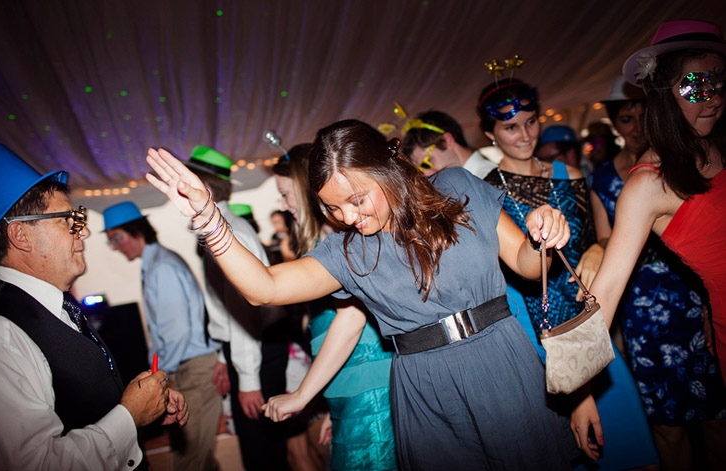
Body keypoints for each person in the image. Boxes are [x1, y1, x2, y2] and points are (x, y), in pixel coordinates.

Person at [145, 119, 579, 470]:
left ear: (385, 170)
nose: (349, 217)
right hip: (425, 386)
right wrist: (209, 218)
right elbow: (265, 289)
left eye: (356, 199)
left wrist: (542, 233)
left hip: (502, 363)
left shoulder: (456, 187)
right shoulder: (347, 252)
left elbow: (525, 262)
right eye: (332, 208)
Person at [478, 78, 659, 470]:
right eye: (511, 127)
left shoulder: (570, 173)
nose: (525, 134)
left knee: (632, 447)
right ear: (489, 133)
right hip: (535, 324)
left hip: (589, 314)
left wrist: (596, 249)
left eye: (530, 121)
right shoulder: (485, 191)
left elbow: (605, 237)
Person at [573, 19, 726, 467]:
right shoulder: (648, 183)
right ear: (663, 93)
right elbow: (607, 290)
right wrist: (580, 391)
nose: (713, 97)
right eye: (697, 85)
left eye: (719, 82)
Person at [0, 143, 188, 470]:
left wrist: (141, 404)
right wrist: (129, 415)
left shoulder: (55, 302)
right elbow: (38, 464)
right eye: (69, 220)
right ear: (21, 235)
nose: (85, 231)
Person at [271, 143, 397, 470]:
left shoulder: (340, 234)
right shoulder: (322, 237)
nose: (283, 205)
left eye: (286, 194)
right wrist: (331, 403)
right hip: (346, 382)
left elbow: (353, 316)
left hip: (367, 380)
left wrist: (303, 394)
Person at [183, 145, 293, 471]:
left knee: (262, 455)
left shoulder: (226, 232)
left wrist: (248, 380)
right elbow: (225, 306)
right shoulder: (221, 225)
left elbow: (245, 312)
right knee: (262, 450)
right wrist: (223, 356)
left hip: (257, 349)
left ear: (202, 189)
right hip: (250, 348)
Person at [102, 200, 220, 471]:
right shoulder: (156, 264)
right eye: (111, 242)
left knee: (189, 461)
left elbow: (176, 333)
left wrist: (159, 376)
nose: (116, 247)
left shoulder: (162, 267)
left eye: (117, 238)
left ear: (137, 231)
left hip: (192, 371)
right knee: (199, 459)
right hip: (186, 368)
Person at [400, 110, 497, 178]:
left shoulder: (490, 179)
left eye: (427, 163)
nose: (427, 174)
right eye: (420, 171)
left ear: (447, 140)